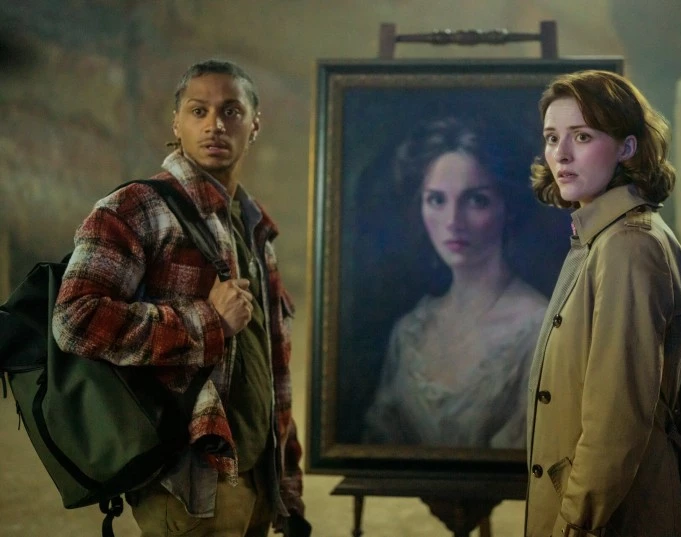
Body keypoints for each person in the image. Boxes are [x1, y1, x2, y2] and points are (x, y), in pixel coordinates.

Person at [52, 59, 306, 537]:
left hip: (256, 476)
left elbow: (273, 365)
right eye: (198, 110)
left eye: (231, 111)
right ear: (177, 124)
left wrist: (287, 484)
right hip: (190, 479)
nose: (215, 124)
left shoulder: (254, 225)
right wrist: (208, 323)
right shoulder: (136, 208)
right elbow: (75, 319)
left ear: (254, 125)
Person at [525, 70, 681, 537]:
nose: (561, 154)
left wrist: (576, 523)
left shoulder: (628, 245)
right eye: (552, 137)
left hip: (613, 519)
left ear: (627, 148)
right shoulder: (603, 237)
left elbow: (616, 419)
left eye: (582, 136)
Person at [363, 116, 548, 449]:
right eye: (437, 200)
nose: (452, 221)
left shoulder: (539, 328)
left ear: (508, 207)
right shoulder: (409, 331)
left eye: (476, 200)